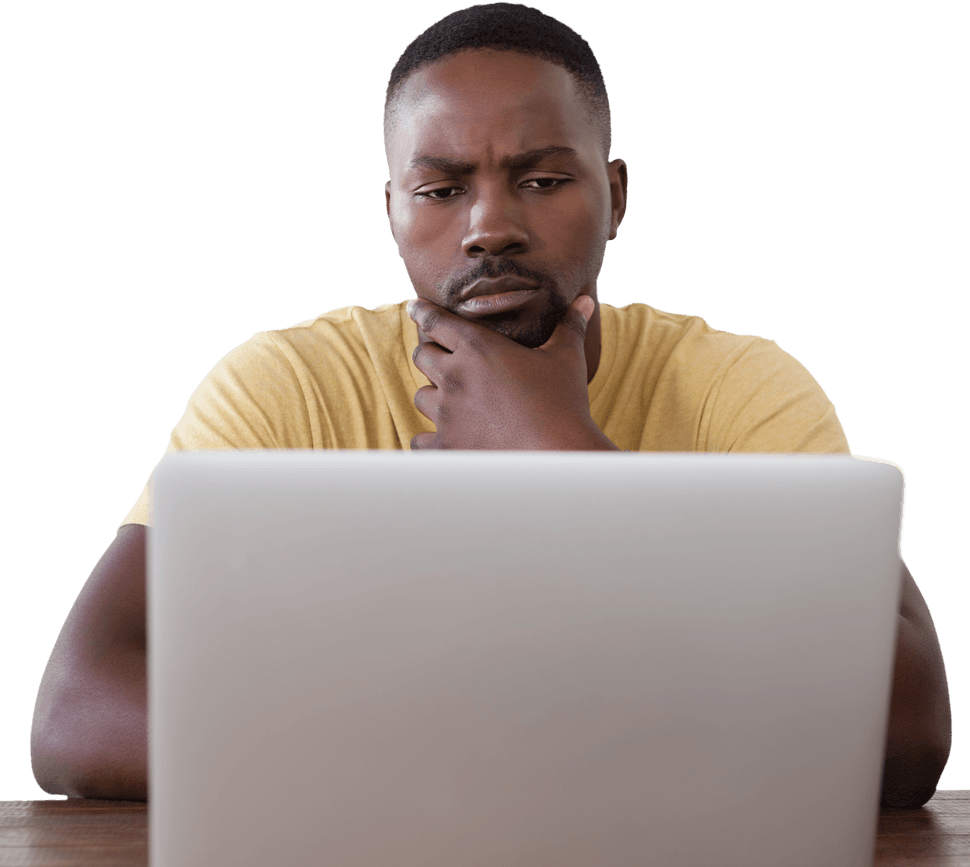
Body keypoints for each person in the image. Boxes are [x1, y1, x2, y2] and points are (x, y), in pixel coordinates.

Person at [30, 3, 951, 806]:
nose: (490, 228)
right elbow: (76, 718)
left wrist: (556, 450)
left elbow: (906, 730)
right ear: (390, 210)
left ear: (617, 196)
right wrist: (476, 756)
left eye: (544, 180)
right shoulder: (285, 386)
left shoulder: (736, 387)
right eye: (440, 190)